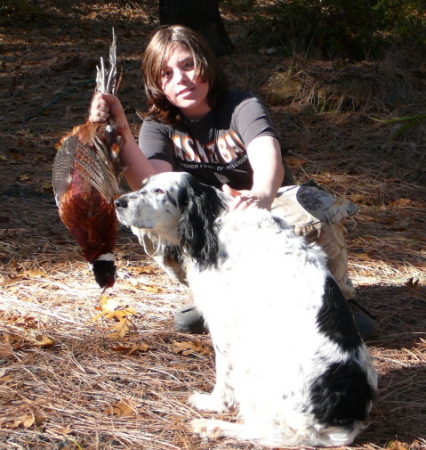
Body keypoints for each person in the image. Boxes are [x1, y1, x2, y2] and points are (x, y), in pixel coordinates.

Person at [89, 25, 378, 341]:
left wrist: (260, 196)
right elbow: (151, 182)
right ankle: (213, 294)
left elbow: (267, 153)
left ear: (206, 64)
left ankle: (334, 303)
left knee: (316, 207)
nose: (181, 79)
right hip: (210, 219)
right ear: (157, 85)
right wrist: (121, 130)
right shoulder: (158, 126)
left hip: (265, 206)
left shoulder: (241, 105)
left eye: (188, 65)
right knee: (149, 218)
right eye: (166, 74)